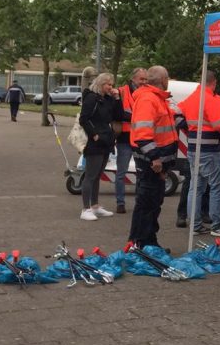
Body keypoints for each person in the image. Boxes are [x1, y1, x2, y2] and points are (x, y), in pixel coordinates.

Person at [128, 66, 180, 248]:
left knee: (153, 204)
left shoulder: (157, 98)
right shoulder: (149, 99)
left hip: (156, 162)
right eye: (168, 79)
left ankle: (149, 242)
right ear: (163, 80)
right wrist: (155, 159)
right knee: (147, 203)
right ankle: (141, 243)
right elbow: (143, 135)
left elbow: (167, 122)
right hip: (150, 162)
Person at [179, 70, 220, 238]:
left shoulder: (190, 99)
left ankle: (195, 225)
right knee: (217, 187)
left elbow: (178, 115)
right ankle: (217, 225)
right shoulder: (211, 100)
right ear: (214, 82)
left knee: (196, 188)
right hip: (211, 150)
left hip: (194, 148)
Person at [77, 73, 120, 221]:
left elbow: (117, 115)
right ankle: (85, 209)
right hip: (95, 142)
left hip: (106, 141)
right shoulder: (91, 98)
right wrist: (94, 135)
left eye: (112, 84)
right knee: (90, 176)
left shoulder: (107, 99)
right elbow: (84, 118)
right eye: (108, 84)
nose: (111, 87)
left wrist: (117, 98)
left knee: (97, 176)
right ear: (101, 84)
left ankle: (95, 206)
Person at [115, 68, 148, 214]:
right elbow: (118, 113)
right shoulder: (121, 92)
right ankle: (120, 203)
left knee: (140, 172)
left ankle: (139, 202)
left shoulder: (146, 93)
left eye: (145, 79)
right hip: (124, 137)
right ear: (133, 79)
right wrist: (137, 115)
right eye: (141, 79)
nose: (144, 82)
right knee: (121, 172)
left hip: (140, 137)